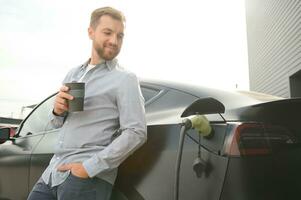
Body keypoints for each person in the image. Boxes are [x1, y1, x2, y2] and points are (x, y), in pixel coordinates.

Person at [27, 6, 147, 200]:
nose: (114, 41)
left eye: (120, 36)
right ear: (91, 32)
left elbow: (136, 132)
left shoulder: (125, 79)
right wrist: (57, 111)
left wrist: (87, 168)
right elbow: (58, 124)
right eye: (107, 33)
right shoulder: (74, 74)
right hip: (53, 172)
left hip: (86, 178)